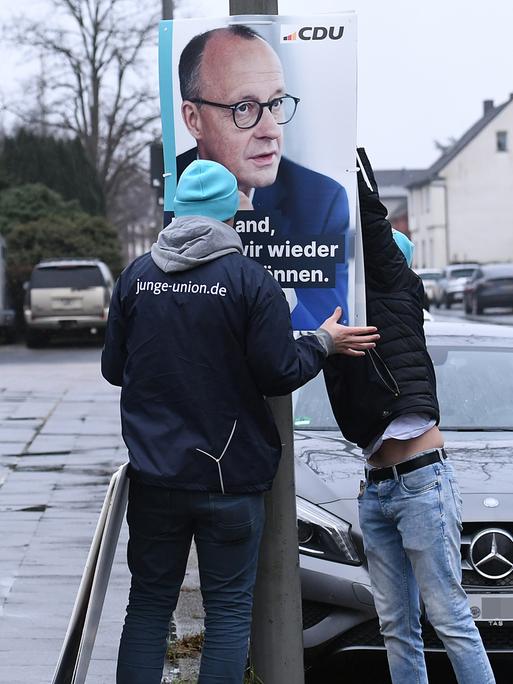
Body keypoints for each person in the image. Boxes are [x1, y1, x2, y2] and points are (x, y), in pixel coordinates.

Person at [101, 159, 379, 684]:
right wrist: (324, 341)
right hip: (231, 479)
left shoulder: (135, 279)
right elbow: (280, 372)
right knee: (229, 610)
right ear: (232, 211)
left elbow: (114, 369)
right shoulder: (250, 281)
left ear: (177, 210)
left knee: (148, 604)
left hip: (156, 477)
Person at [324, 149, 495, 684]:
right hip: (376, 486)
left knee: (449, 617)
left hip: (422, 480)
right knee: (397, 623)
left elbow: (372, 225)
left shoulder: (397, 288)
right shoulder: (347, 317)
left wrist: (346, 161)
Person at [174, 24, 350, 330]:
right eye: (244, 108)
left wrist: (253, 247)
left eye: (277, 103)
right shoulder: (173, 186)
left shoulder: (320, 200)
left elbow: (328, 330)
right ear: (193, 119)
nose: (271, 130)